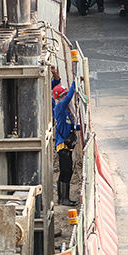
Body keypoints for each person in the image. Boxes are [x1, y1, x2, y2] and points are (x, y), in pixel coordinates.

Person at [52, 67, 79, 207]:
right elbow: (68, 97)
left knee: (67, 171)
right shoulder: (60, 107)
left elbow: (70, 126)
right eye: (64, 95)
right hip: (62, 146)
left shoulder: (66, 112)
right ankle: (64, 199)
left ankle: (63, 198)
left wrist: (79, 127)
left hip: (66, 146)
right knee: (66, 171)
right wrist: (75, 83)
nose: (66, 97)